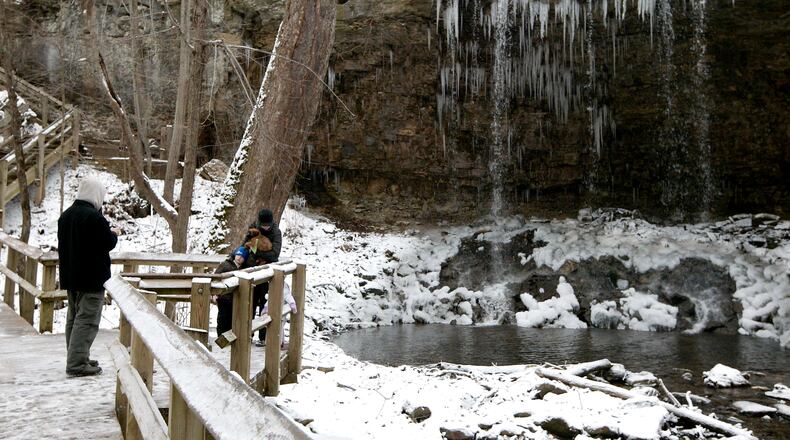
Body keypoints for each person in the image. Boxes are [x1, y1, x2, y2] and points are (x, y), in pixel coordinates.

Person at [58, 176, 119, 377]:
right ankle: (76, 363)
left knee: (74, 318)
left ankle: (77, 357)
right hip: (92, 278)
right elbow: (107, 242)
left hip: (71, 276)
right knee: (87, 320)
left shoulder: (66, 216)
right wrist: (114, 233)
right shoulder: (94, 218)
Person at [241, 208, 282, 346]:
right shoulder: (253, 228)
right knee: (250, 303)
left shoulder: (276, 232)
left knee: (265, 305)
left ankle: (263, 337)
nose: (265, 227)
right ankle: (248, 334)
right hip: (251, 271)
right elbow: (245, 246)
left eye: (267, 225)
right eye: (263, 225)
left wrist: (257, 252)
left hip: (267, 273)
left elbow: (274, 254)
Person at [214, 246, 251, 336]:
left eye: (242, 257)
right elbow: (216, 277)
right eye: (238, 255)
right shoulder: (225, 264)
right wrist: (215, 293)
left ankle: (229, 338)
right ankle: (221, 337)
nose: (239, 258)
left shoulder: (244, 268)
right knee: (222, 318)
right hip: (223, 297)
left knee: (232, 319)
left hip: (235, 298)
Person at [260, 283, 298, 349]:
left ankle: (279, 343)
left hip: (281, 312)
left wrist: (292, 304)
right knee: (272, 327)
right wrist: (265, 308)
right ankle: (270, 343)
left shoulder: (284, 287)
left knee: (279, 327)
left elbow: (288, 296)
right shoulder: (272, 287)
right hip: (273, 311)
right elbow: (269, 300)